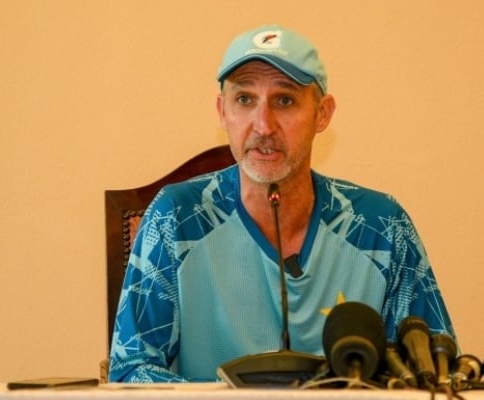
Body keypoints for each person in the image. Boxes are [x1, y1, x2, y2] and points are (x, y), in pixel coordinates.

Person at [109, 24, 456, 383]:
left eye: (285, 101)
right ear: (222, 111)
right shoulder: (176, 218)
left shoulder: (381, 228)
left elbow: (433, 372)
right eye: (244, 99)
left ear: (322, 113)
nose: (263, 125)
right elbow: (131, 371)